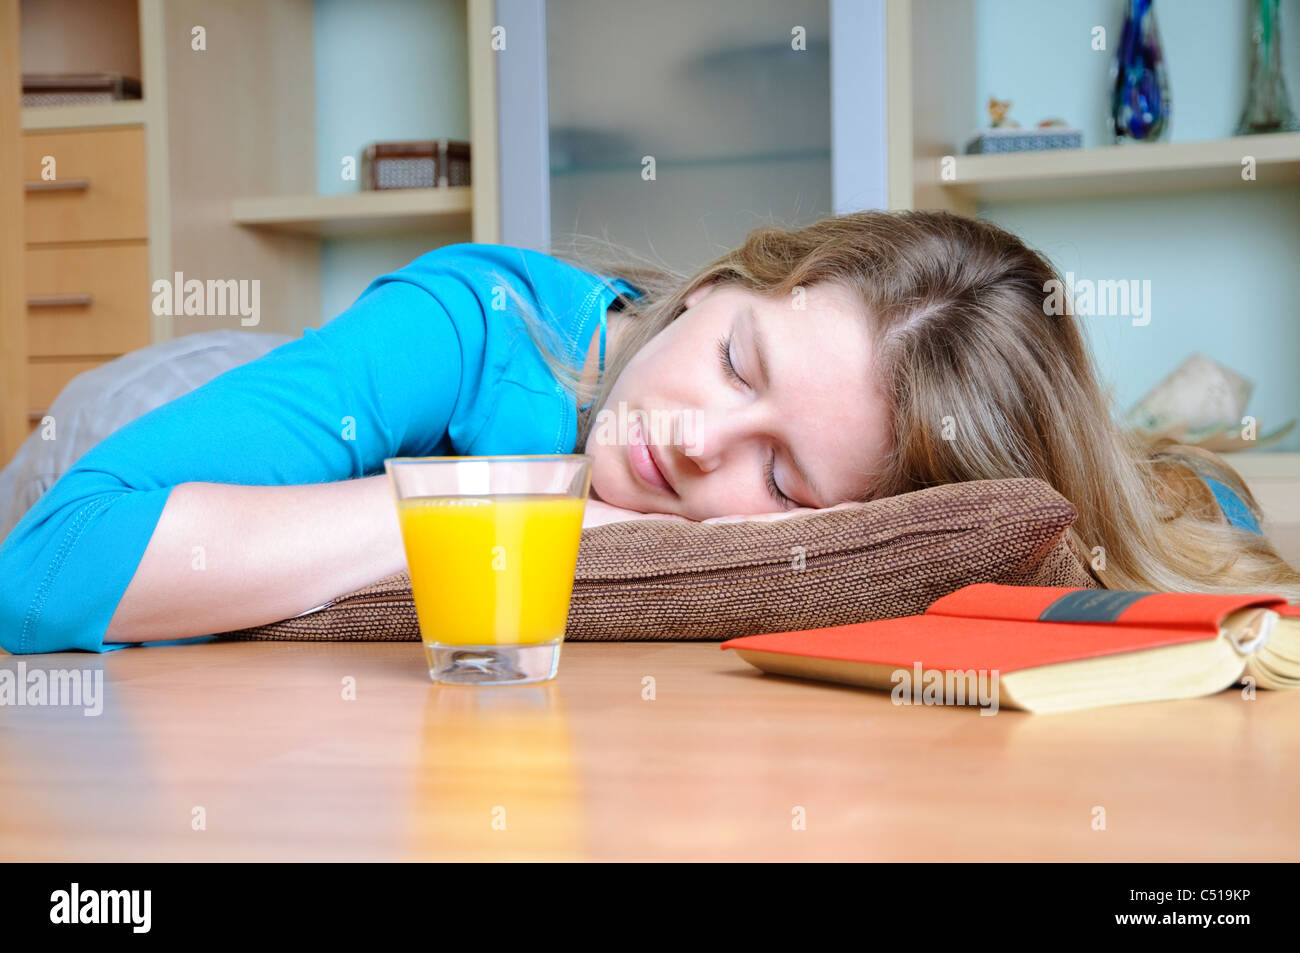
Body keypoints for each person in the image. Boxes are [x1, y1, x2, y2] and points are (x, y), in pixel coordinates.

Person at [1, 210, 1295, 655]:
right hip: (128, 435)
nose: (693, 439)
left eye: (783, 473)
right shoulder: (478, 326)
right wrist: (528, 503)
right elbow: (47, 569)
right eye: (737, 360)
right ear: (731, 277)